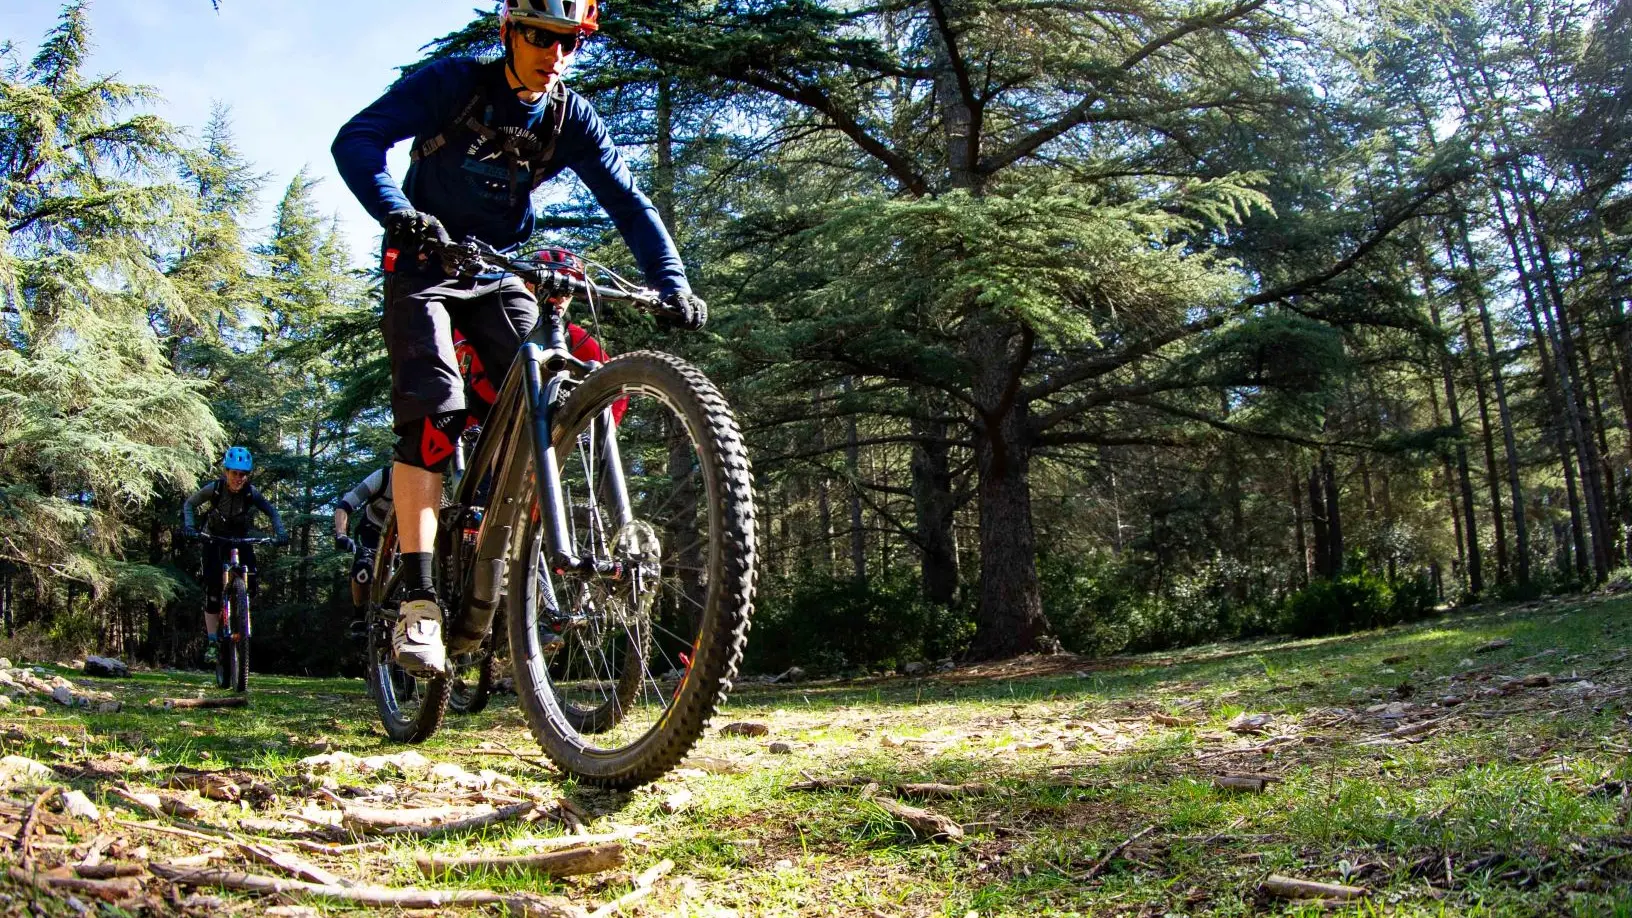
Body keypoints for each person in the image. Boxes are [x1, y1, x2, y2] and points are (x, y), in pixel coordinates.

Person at [332, 0, 704, 677]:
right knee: (436, 414)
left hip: (498, 269)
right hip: (423, 263)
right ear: (509, 32)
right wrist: (399, 212)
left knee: (550, 396)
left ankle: (506, 550)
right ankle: (419, 602)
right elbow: (356, 139)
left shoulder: (569, 117)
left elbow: (628, 202)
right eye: (539, 36)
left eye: (570, 42)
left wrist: (671, 281)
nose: (553, 55)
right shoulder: (454, 84)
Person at [182, 447, 288, 664]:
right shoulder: (215, 489)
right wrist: (190, 528)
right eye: (234, 473)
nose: (238, 478)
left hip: (240, 539)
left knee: (252, 581)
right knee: (213, 590)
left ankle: (240, 609)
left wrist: (281, 533)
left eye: (243, 474)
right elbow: (189, 504)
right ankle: (213, 641)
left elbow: (272, 512)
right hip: (214, 539)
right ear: (226, 472)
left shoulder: (251, 493)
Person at [334, 466, 393, 618]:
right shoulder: (382, 477)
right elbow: (344, 505)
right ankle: (360, 615)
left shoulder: (423, 480)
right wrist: (341, 534)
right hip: (372, 531)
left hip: (404, 534)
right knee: (363, 568)